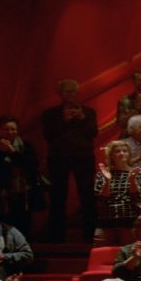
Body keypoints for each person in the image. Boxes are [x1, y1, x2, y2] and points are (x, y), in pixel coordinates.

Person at [41, 80, 99, 241]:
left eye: (74, 92)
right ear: (60, 94)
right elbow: (48, 136)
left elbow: (93, 133)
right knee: (58, 196)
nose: (71, 95)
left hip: (83, 157)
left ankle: (89, 235)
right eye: (67, 92)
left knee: (87, 195)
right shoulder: (50, 114)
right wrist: (64, 121)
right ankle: (56, 236)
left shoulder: (88, 112)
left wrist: (81, 118)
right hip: (59, 158)